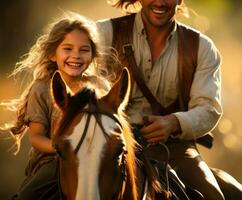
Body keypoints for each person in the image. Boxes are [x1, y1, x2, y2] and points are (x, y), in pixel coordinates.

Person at [96, 0, 225, 199]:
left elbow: (208, 108)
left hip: (173, 148)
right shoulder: (102, 34)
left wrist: (173, 123)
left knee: (213, 196)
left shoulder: (202, 47)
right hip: (108, 145)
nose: (160, 2)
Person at [1, 12, 110, 199]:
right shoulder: (41, 88)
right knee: (29, 195)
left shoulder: (99, 86)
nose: (76, 56)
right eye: (67, 49)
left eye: (84, 50)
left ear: (92, 55)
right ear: (53, 54)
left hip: (97, 158)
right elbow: (36, 137)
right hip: (55, 161)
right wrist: (64, 148)